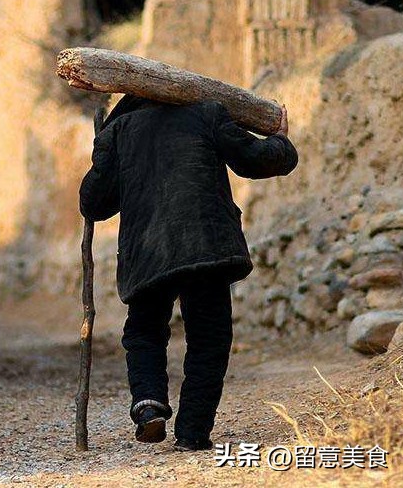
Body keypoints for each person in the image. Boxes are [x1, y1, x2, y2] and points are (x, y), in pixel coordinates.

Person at [78, 95, 298, 451]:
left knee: (144, 332)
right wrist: (281, 143)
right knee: (209, 338)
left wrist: (104, 149)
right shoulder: (208, 113)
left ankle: (148, 403)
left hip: (148, 254)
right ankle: (193, 432)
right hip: (206, 245)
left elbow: (93, 203)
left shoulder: (117, 131)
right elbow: (253, 160)